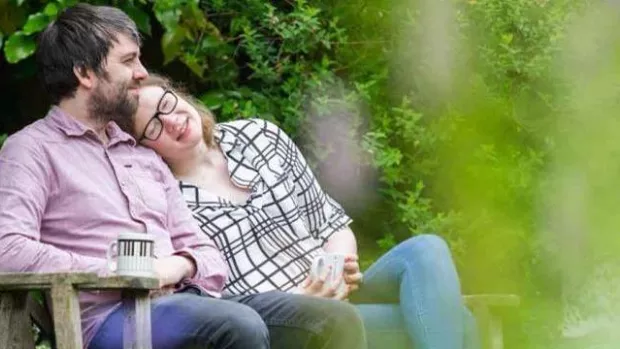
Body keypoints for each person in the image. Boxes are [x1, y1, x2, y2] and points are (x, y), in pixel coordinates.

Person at [0, 4, 367, 349]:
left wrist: (179, 265)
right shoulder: (31, 150)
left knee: (332, 318)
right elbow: (8, 249)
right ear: (85, 73)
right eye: (129, 61)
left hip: (186, 303)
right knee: (237, 324)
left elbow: (206, 254)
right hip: (112, 320)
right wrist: (124, 272)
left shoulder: (140, 154)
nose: (142, 73)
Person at [129, 73, 481, 349]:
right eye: (154, 125)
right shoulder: (167, 200)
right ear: (145, 147)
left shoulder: (258, 136)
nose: (171, 119)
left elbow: (330, 223)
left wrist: (340, 266)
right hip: (284, 322)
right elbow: (210, 301)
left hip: (340, 294)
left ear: (180, 95)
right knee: (460, 323)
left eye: (166, 103)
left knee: (425, 249)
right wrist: (300, 299)